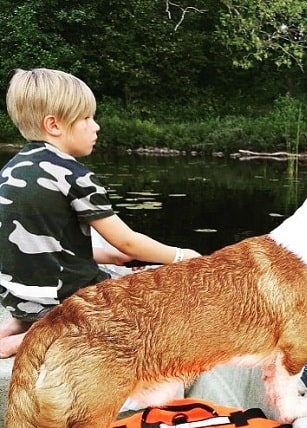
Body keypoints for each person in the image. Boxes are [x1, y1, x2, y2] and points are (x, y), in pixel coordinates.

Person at [0, 68, 201, 359]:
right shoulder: (74, 176)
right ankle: (29, 339)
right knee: (143, 304)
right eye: (86, 119)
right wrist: (181, 256)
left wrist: (112, 258)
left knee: (46, 294)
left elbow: (44, 246)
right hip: (61, 300)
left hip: (16, 297)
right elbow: (127, 242)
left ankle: (14, 326)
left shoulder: (10, 170)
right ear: (54, 125)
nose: (96, 127)